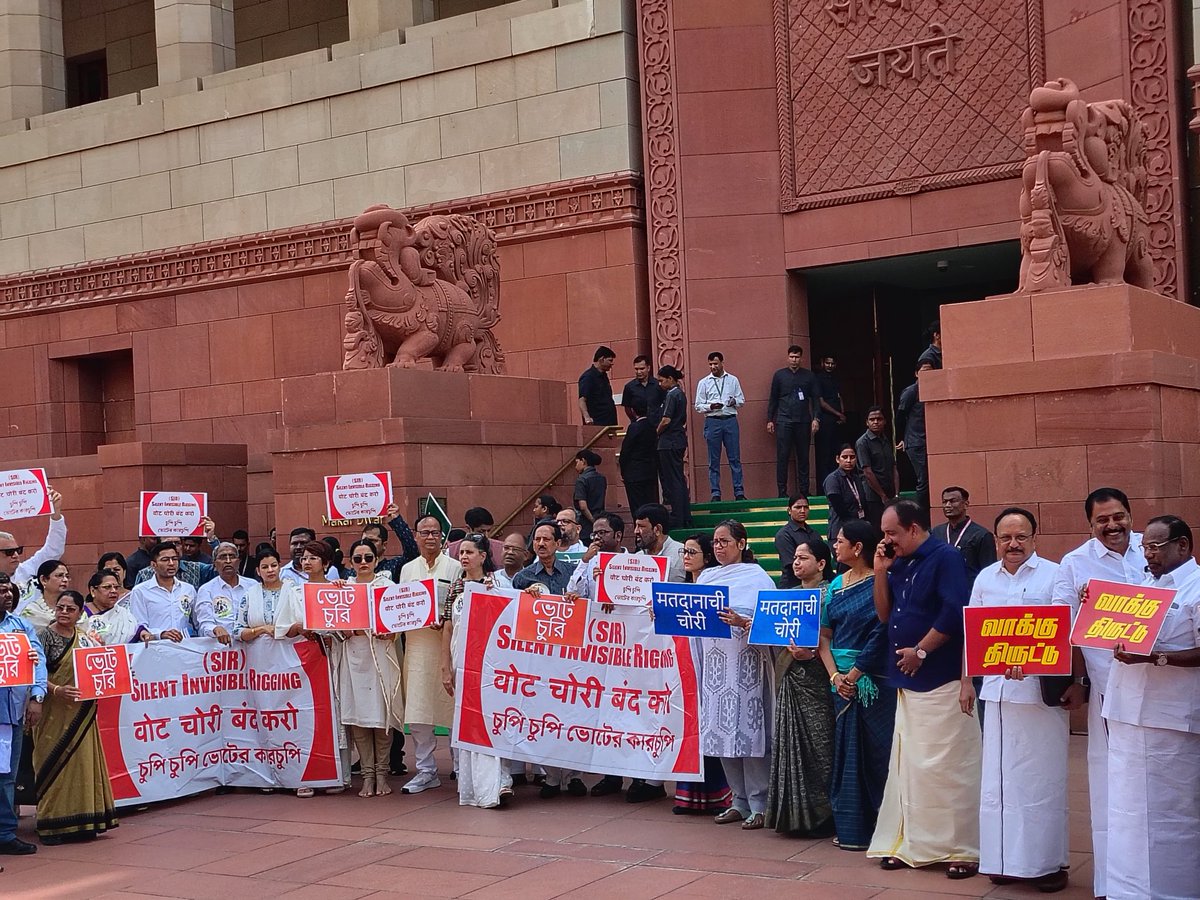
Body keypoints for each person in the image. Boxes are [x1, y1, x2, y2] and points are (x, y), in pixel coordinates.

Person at [868, 499, 980, 879]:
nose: (887, 541)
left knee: (947, 768)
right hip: (907, 682)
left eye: (891, 533)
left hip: (942, 678)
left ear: (914, 529)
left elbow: (954, 612)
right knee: (911, 768)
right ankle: (914, 842)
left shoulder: (946, 557)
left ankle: (959, 847)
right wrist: (881, 572)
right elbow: (885, 614)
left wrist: (921, 650)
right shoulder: (899, 561)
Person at [962, 508, 1067, 892]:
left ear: (1034, 538)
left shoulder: (1055, 575)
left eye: (1021, 536)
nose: (1013, 544)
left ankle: (1046, 864)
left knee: (1040, 781)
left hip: (1038, 695)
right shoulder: (985, 578)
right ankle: (1002, 860)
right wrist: (966, 682)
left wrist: (1035, 661)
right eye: (1005, 538)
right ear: (995, 541)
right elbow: (973, 635)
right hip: (997, 692)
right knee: (999, 783)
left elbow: (1062, 633)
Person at [1050, 487, 1143, 900]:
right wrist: (1077, 681)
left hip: (1160, 691)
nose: (1113, 525)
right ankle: (1114, 882)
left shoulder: (1153, 548)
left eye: (1119, 516)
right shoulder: (1075, 564)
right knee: (1110, 787)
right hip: (1109, 692)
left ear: (1130, 515)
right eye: (1102, 520)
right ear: (1090, 525)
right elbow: (1061, 629)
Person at [1104, 515, 1200, 899]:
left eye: (1157, 546)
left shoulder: (1196, 587)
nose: (1149, 554)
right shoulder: (1142, 586)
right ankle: (1128, 891)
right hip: (1128, 711)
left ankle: (1174, 890)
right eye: (1145, 548)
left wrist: (1157, 658)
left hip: (1170, 718)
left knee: (1171, 812)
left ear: (1183, 546)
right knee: (1127, 812)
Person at [817, 519, 894, 852]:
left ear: (858, 548)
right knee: (845, 754)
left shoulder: (881, 582)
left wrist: (857, 673)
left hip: (873, 679)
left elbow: (884, 629)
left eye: (840, 541)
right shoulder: (835, 586)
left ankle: (886, 826)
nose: (835, 546)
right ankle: (853, 828)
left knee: (879, 755)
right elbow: (823, 636)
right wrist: (836, 676)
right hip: (839, 682)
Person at [696, 520, 776, 829]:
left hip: (746, 667)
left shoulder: (757, 578)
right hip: (715, 670)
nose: (717, 547)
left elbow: (768, 619)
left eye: (724, 541)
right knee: (720, 733)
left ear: (741, 544)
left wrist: (745, 621)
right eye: (714, 542)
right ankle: (738, 800)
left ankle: (761, 802)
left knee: (749, 732)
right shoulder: (707, 576)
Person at [32, 589, 118, 845]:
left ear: (80, 613)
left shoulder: (86, 640)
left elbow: (99, 672)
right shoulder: (43, 637)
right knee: (52, 765)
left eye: (70, 609)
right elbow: (34, 674)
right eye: (60, 608)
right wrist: (57, 689)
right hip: (52, 712)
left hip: (82, 712)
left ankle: (83, 822)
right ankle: (51, 824)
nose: (64, 613)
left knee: (82, 765)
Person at [766, 538, 834, 836]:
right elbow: (772, 630)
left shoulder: (830, 594)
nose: (796, 563)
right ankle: (794, 816)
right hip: (791, 677)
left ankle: (825, 816)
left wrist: (813, 655)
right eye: (795, 557)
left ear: (821, 564)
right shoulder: (788, 596)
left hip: (819, 680)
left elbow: (835, 636)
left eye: (804, 558)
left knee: (821, 747)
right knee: (790, 742)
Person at [441, 533, 513, 808]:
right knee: (468, 723)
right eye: (462, 552)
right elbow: (448, 627)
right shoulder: (456, 588)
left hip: (491, 665)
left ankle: (500, 781)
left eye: (470, 552)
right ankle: (473, 786)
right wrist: (446, 667)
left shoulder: (499, 585)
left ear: (483, 556)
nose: (464, 557)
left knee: (491, 721)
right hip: (462, 663)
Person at [271, 541, 345, 797]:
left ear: (326, 563)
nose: (307, 562)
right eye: (304, 558)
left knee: (335, 713)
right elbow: (282, 628)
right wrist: (301, 628)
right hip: (305, 660)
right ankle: (306, 774)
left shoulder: (338, 589)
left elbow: (348, 623)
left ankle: (337, 773)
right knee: (308, 716)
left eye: (314, 558)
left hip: (334, 656)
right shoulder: (293, 591)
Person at [397, 515, 463, 795]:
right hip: (418, 647)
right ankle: (426, 770)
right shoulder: (407, 569)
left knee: (453, 707)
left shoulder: (456, 566)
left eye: (435, 532)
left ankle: (461, 767)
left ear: (443, 537)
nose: (430, 537)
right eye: (424, 532)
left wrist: (444, 619)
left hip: (448, 646)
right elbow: (398, 609)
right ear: (415, 536)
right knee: (419, 709)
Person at [671, 534, 733, 817]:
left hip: (713, 666)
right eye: (684, 550)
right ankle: (689, 796)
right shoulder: (681, 588)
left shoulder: (717, 585)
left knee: (712, 724)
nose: (685, 556)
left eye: (692, 552)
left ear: (706, 558)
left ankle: (720, 793)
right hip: (685, 665)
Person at [340, 539, 404, 799]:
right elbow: (331, 622)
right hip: (354, 658)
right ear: (351, 562)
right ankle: (366, 776)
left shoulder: (388, 587)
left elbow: (402, 619)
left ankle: (381, 774)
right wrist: (341, 631)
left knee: (382, 716)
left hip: (381, 655)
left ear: (377, 560)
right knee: (359, 717)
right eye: (358, 558)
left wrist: (392, 633)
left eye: (368, 557)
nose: (363, 562)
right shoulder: (343, 589)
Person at [0, 573, 47, 856]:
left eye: (9, 590)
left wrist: (37, 697)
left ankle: (5, 833)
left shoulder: (20, 627)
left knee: (7, 775)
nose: (7, 595)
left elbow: (38, 661)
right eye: (0, 590)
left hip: (12, 714)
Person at [128, 543, 223, 644]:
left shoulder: (188, 589)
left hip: (185, 648)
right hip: (155, 649)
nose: (171, 563)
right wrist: (161, 634)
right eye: (165, 560)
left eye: (174, 559)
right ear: (153, 564)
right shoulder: (140, 591)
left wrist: (212, 629)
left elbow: (198, 621)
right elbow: (139, 625)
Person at [767, 345, 821, 497]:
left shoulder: (809, 376)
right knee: (782, 457)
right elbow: (773, 399)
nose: (794, 360)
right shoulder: (779, 375)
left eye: (797, 357)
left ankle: (804, 491)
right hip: (784, 420)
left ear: (801, 358)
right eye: (791, 357)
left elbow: (816, 399)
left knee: (803, 457)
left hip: (803, 421)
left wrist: (816, 418)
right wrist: (770, 419)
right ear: (787, 357)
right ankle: (782, 492)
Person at [0, 485, 65, 607]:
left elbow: (54, 549)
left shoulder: (29, 570)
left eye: (17, 550)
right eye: (9, 552)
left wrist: (56, 514)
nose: (15, 555)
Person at [694, 351, 746, 502]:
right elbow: (698, 405)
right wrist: (711, 406)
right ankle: (715, 493)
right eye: (710, 364)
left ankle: (739, 492)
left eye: (716, 364)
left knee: (734, 457)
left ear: (722, 363)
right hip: (713, 420)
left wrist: (733, 401)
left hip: (730, 419)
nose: (713, 367)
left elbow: (742, 399)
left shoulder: (733, 380)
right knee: (713, 460)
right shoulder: (704, 382)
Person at [931, 487, 996, 587]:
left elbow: (988, 572)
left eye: (953, 501)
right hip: (942, 593)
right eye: (944, 502)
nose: (948, 505)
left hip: (970, 594)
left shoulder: (981, 535)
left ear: (966, 504)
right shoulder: (937, 532)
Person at [196, 542, 257, 642]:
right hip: (221, 648)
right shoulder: (206, 590)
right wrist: (215, 629)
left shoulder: (253, 586)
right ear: (214, 564)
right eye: (223, 557)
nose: (228, 561)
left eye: (232, 556)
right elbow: (204, 624)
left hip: (251, 644)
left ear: (238, 561)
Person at [655, 364, 691, 529]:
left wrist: (657, 431)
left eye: (662, 380)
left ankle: (677, 515)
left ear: (670, 379)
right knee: (679, 478)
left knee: (672, 480)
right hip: (678, 440)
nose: (660, 384)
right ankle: (685, 515)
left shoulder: (672, 395)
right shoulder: (681, 395)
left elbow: (666, 419)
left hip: (669, 442)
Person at [895, 361, 931, 510]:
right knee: (924, 479)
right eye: (924, 371)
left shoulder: (934, 389)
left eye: (930, 370)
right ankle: (922, 514)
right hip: (916, 441)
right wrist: (902, 438)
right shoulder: (911, 392)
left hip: (929, 440)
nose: (927, 374)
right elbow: (900, 415)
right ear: (916, 373)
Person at [236, 548, 290, 644]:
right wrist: (261, 629)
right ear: (258, 571)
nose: (270, 570)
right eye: (265, 567)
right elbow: (238, 632)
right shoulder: (250, 595)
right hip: (259, 654)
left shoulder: (293, 591)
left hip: (290, 653)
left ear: (280, 567)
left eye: (274, 566)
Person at [855, 407, 896, 530]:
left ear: (884, 421)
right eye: (872, 419)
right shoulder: (863, 442)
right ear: (867, 422)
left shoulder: (885, 440)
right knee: (877, 529)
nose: (876, 422)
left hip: (889, 493)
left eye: (879, 419)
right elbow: (867, 472)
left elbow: (894, 467)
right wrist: (882, 495)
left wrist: (896, 493)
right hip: (873, 496)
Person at [774, 495, 825, 589]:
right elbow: (790, 564)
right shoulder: (783, 535)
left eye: (805, 507)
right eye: (798, 507)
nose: (802, 511)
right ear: (789, 510)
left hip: (814, 585)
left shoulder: (814, 533)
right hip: (791, 586)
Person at [619, 398, 659, 515]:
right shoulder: (652, 427)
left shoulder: (634, 427)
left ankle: (640, 529)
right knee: (650, 504)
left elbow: (626, 450)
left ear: (633, 410)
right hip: (650, 471)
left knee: (637, 506)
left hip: (634, 473)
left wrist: (623, 471)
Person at [822, 445, 866, 551]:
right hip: (840, 531)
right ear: (838, 459)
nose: (849, 460)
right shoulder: (833, 479)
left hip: (857, 530)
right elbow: (839, 507)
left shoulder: (856, 478)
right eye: (844, 457)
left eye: (852, 457)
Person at [83, 571, 140, 645]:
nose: (114, 591)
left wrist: (142, 632)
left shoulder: (123, 614)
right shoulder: (80, 614)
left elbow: (135, 631)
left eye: (116, 587)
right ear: (93, 591)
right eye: (107, 587)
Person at [814, 354, 847, 486]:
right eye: (827, 363)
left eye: (832, 363)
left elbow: (840, 397)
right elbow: (821, 402)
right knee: (825, 454)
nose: (830, 365)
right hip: (826, 419)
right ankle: (825, 485)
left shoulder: (836, 378)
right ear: (823, 363)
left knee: (836, 451)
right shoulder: (818, 378)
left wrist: (842, 414)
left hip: (837, 421)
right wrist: (838, 414)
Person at [632, 503, 686, 582]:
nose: (635, 531)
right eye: (636, 526)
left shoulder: (682, 554)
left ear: (657, 529)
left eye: (641, 526)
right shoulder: (637, 558)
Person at [18, 559, 75, 629]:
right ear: (44, 580)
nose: (65, 580)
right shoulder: (32, 611)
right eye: (60, 576)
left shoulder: (75, 607)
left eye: (67, 576)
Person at [572, 450, 607, 542]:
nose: (575, 466)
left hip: (586, 523)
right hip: (601, 516)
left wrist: (593, 522)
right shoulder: (602, 478)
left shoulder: (582, 480)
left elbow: (583, 506)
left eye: (576, 462)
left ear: (583, 461)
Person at [578, 345, 617, 426]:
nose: (612, 364)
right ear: (602, 359)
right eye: (610, 360)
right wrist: (587, 418)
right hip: (597, 423)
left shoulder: (604, 376)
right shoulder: (588, 377)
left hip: (609, 422)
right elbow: (582, 399)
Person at [622, 354, 665, 423]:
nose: (639, 372)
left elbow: (665, 402)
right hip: (639, 424)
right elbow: (627, 408)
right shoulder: (629, 387)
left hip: (657, 424)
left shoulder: (658, 384)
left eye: (642, 369)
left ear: (648, 368)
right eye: (636, 369)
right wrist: (635, 419)